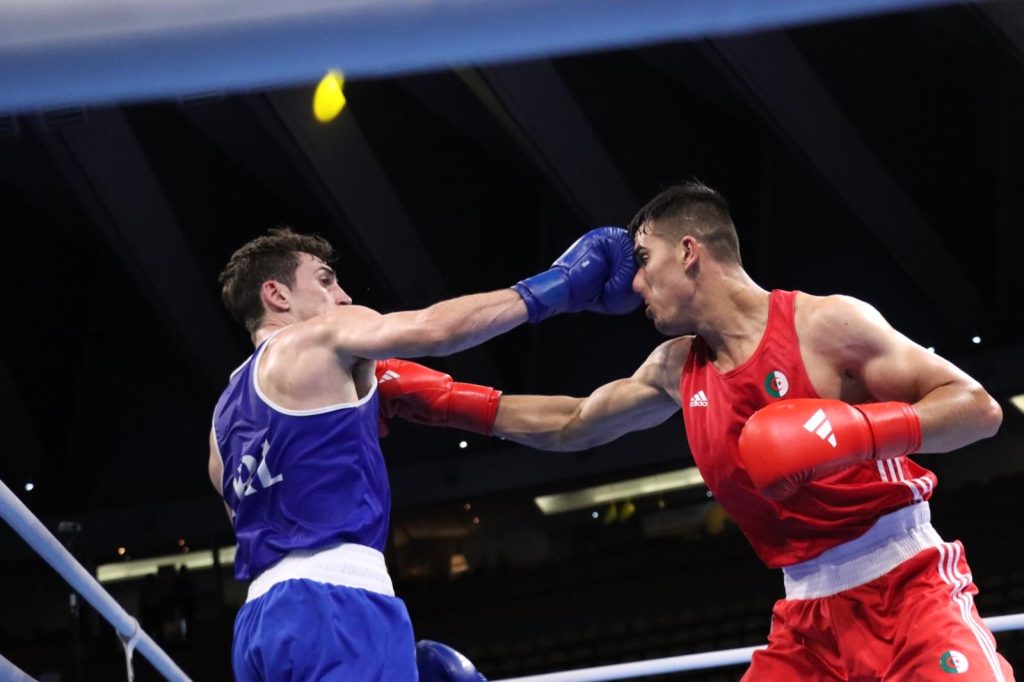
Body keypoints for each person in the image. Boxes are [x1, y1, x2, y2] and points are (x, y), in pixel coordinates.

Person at [378, 180, 1016, 680]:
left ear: (689, 252)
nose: (632, 283)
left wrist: (857, 430)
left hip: (909, 588)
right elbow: (572, 423)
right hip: (806, 620)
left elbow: (977, 408)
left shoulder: (824, 325)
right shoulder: (676, 368)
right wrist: (441, 401)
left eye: (643, 260)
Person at [207, 225, 639, 681]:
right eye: (325, 280)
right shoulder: (320, 336)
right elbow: (435, 330)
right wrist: (557, 286)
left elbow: (265, 517)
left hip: (256, 629)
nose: (344, 297)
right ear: (276, 295)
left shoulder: (220, 427)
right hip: (338, 604)